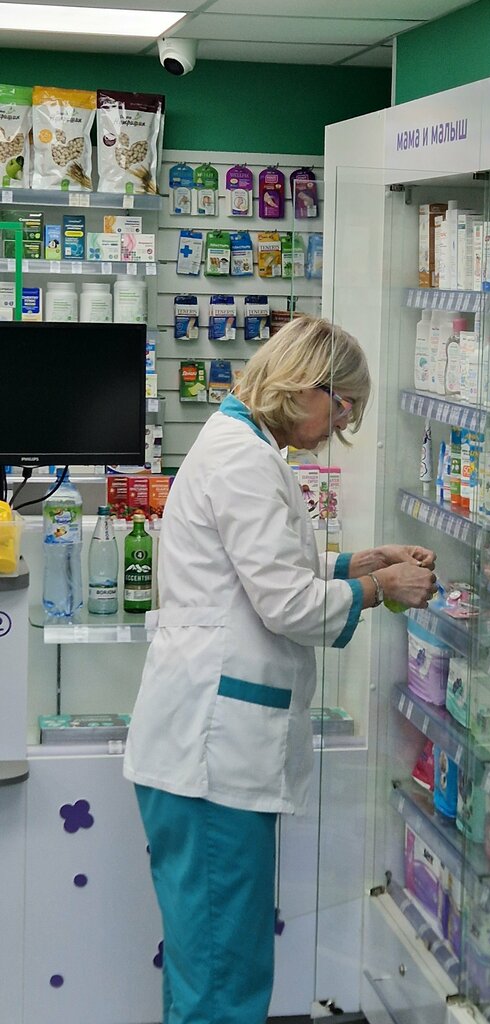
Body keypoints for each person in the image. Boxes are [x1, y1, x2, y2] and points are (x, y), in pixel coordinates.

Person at [123, 315, 436, 1024]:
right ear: (303, 385)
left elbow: (262, 568)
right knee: (223, 981)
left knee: (208, 970)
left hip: (208, 754)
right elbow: (286, 603)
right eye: (343, 405)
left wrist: (358, 563)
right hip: (211, 756)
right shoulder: (242, 459)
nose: (342, 424)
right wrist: (379, 588)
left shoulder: (243, 446)